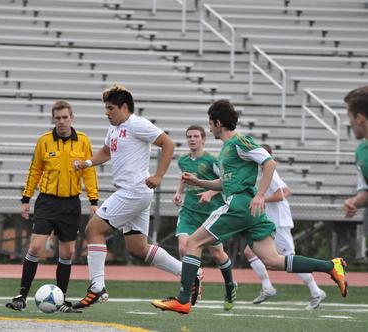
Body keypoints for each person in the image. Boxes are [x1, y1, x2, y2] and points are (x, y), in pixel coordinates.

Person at [151, 99, 348, 315]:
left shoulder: (239, 141)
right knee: (272, 260)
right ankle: (331, 266)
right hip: (247, 208)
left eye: (210, 123)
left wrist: (261, 195)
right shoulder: (228, 148)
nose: (209, 127)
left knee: (192, 242)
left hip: (239, 205)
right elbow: (223, 184)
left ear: (218, 122)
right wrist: (199, 183)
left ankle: (182, 299)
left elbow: (269, 162)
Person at [72, 85, 198, 309]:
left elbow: (167, 143)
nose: (107, 113)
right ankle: (189, 273)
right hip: (135, 193)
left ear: (124, 107)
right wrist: (87, 163)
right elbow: (107, 151)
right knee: (138, 248)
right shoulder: (113, 129)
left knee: (93, 229)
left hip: (132, 191)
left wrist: (159, 175)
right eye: (106, 109)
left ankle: (97, 287)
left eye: (110, 108)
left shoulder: (136, 124)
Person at [6, 100, 99, 313]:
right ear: (53, 119)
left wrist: (94, 201)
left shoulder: (83, 141)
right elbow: (35, 171)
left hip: (71, 203)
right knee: (35, 247)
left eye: (65, 117)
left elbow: (89, 172)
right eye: (58, 118)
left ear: (72, 118)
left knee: (67, 253)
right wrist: (25, 199)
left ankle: (61, 300)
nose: (62, 122)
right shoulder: (44, 141)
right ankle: (21, 295)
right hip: (47, 201)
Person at [243, 144, 326, 309]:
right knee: (249, 251)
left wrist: (260, 199)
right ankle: (267, 287)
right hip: (272, 222)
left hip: (279, 223)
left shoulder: (269, 173)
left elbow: (280, 194)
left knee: (290, 259)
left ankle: (316, 291)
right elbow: (287, 190)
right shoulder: (267, 173)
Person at [173, 125, 237, 310]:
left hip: (210, 213)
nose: (192, 139)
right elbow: (184, 177)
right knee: (183, 247)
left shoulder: (211, 160)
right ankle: (193, 284)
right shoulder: (183, 160)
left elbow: (226, 183)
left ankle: (230, 285)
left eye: (195, 136)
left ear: (203, 139)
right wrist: (178, 193)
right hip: (189, 212)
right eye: (189, 136)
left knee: (217, 253)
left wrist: (210, 193)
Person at [344, 86, 368, 218]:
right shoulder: (362, 152)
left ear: (359, 118)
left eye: (349, 116)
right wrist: (355, 202)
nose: (349, 122)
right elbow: (366, 192)